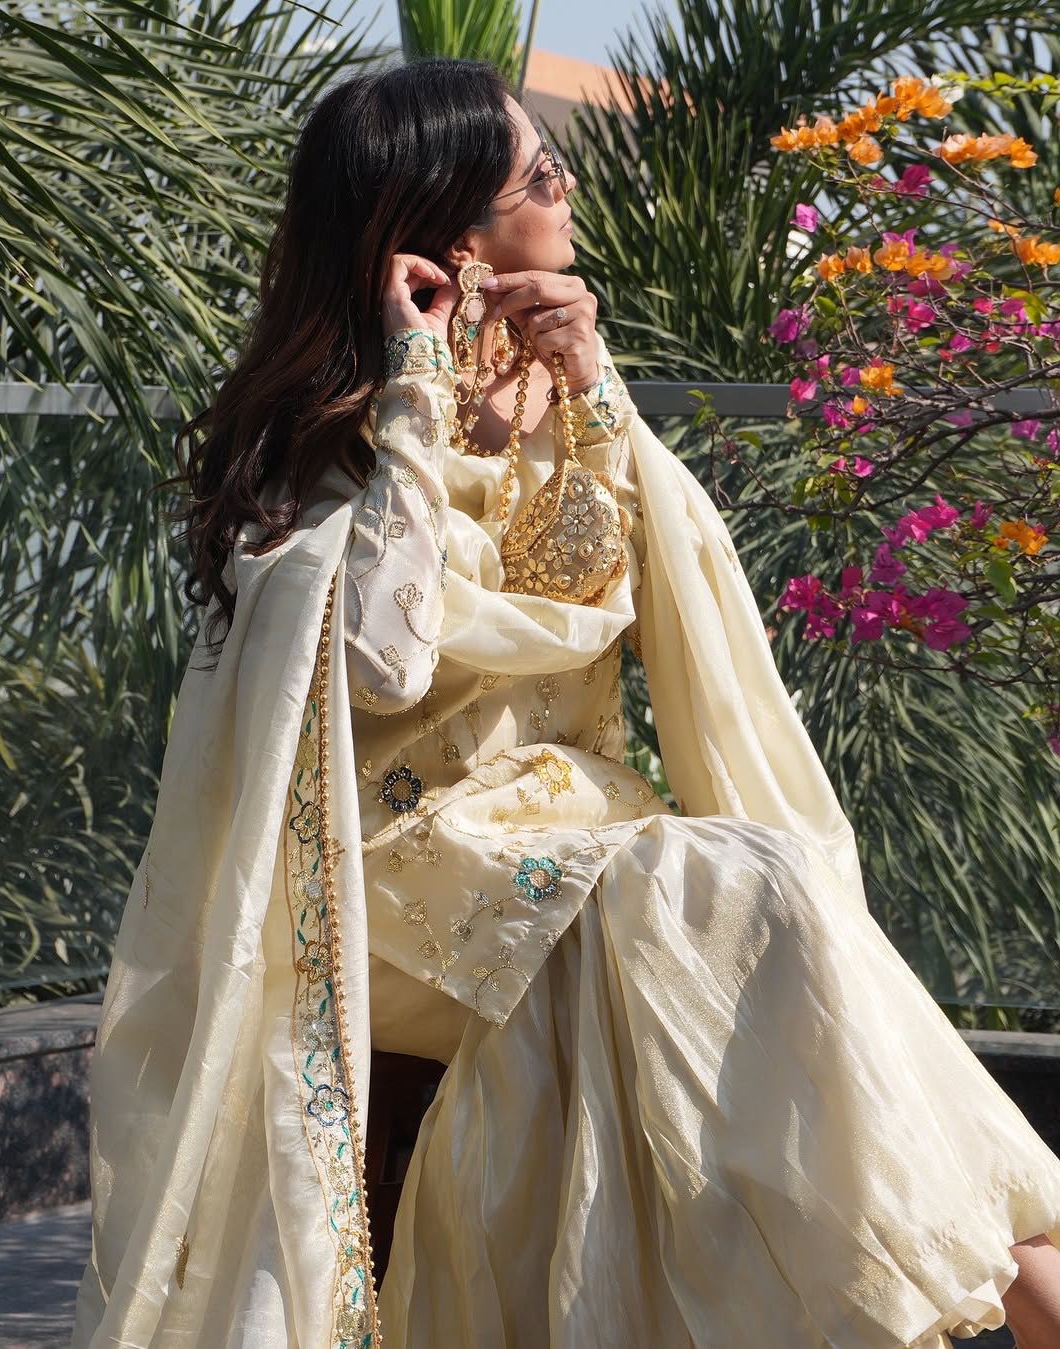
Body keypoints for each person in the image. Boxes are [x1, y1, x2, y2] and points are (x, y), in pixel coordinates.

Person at [72, 56, 1060, 1349]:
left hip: (582, 835)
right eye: (539, 176)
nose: (570, 185)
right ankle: (1020, 1279)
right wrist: (416, 391)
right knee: (732, 888)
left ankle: (1019, 1274)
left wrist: (597, 387)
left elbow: (680, 588)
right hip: (396, 873)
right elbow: (381, 661)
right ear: (449, 240)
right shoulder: (336, 439)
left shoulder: (569, 399)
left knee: (737, 889)